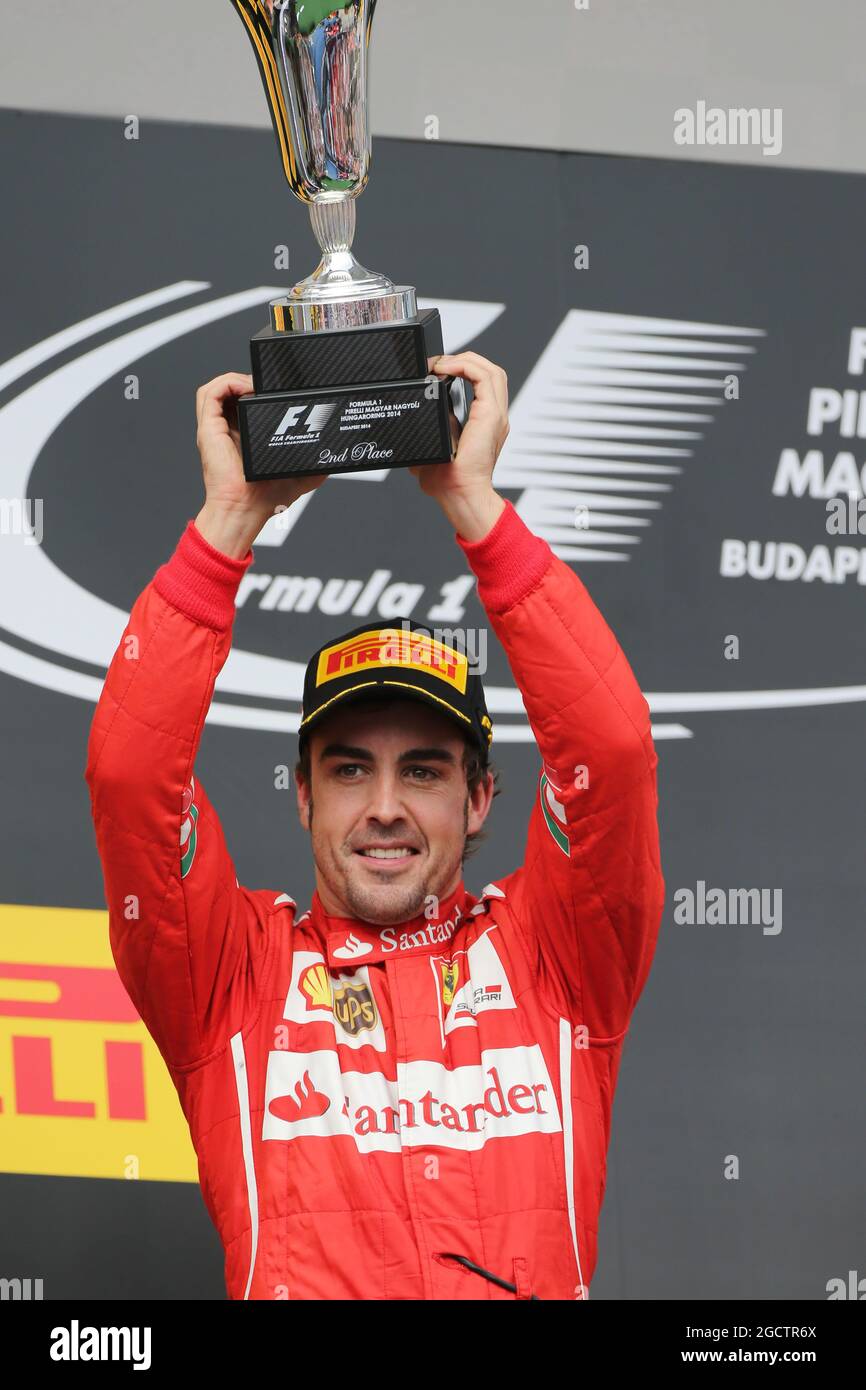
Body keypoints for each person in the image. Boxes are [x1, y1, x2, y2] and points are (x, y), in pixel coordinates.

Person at [85, 352, 664, 1300]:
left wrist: (473, 504)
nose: (385, 806)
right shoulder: (234, 982)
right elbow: (128, 774)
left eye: (425, 770)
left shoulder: (558, 958)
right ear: (304, 795)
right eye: (349, 768)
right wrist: (230, 523)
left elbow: (615, 751)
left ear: (480, 800)